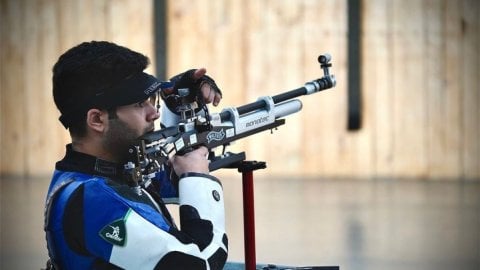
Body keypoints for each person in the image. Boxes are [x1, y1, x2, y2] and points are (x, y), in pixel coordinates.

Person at [44, 41, 227, 269]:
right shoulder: (95, 200)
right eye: (140, 104)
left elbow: (173, 179)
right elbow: (202, 264)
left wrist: (179, 105)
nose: (154, 112)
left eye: (152, 100)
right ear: (97, 120)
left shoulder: (113, 168)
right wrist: (198, 179)